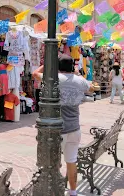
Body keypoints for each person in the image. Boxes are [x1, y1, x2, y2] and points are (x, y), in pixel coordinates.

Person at [33, 55, 91, 196]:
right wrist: (76, 74)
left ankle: (54, 190)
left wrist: (47, 63)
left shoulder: (55, 79)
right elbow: (89, 88)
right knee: (71, 162)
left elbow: (35, 74)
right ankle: (73, 191)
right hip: (74, 127)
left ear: (58, 67)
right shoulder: (81, 81)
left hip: (57, 129)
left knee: (53, 162)